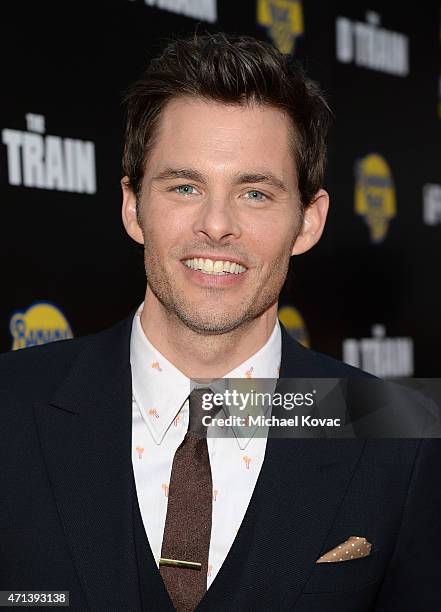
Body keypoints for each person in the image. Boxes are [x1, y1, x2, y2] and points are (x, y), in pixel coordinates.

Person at [0, 31, 440, 612]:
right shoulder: (9, 402)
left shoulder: (395, 427)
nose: (216, 225)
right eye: (185, 186)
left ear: (308, 221)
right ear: (133, 207)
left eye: (255, 193)